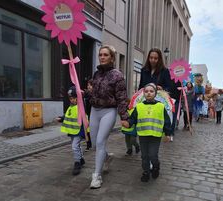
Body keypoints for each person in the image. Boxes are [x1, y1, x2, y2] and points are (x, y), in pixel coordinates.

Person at [86, 45, 129, 189]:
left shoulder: (118, 75)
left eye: (105, 55)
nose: (102, 57)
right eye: (100, 54)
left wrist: (124, 116)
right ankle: (107, 157)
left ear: (112, 57)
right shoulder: (96, 74)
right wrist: (86, 92)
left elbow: (122, 97)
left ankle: (97, 176)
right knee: (94, 144)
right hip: (94, 110)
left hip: (108, 111)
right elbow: (93, 93)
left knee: (100, 142)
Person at [122, 83, 171, 182]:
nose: (149, 93)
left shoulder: (161, 106)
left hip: (155, 136)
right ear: (143, 93)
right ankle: (146, 172)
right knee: (144, 156)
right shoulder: (139, 106)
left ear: (155, 94)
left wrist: (168, 134)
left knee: (153, 155)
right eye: (146, 91)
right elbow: (133, 118)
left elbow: (166, 121)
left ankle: (156, 166)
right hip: (143, 135)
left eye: (151, 91)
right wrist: (128, 123)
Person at [57, 86, 86, 176]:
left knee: (74, 147)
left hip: (78, 131)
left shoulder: (81, 107)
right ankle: (81, 159)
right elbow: (67, 115)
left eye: (74, 98)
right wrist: (62, 118)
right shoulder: (71, 107)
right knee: (77, 146)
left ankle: (77, 163)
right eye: (70, 98)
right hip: (72, 131)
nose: (72, 100)